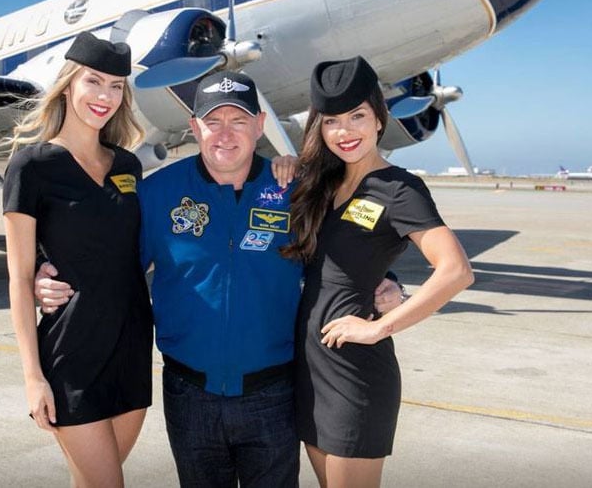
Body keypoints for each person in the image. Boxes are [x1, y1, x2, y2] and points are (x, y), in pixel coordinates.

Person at [35, 69, 405, 487]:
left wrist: (387, 280)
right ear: (195, 127)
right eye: (213, 121)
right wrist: (40, 270)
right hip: (188, 395)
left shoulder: (297, 191)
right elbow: (107, 260)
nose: (225, 134)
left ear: (260, 125)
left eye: (240, 121)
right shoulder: (156, 194)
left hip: (274, 395)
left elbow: (345, 254)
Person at [281, 55, 474, 488]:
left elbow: (456, 271)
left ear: (379, 119)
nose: (345, 131)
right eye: (331, 121)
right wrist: (284, 163)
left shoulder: (399, 189)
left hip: (355, 375)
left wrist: (380, 327)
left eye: (357, 116)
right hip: (308, 372)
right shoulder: (320, 183)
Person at [0, 31, 153, 487]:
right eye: (94, 81)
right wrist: (32, 377)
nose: (104, 96)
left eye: (116, 86)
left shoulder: (129, 166)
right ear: (68, 84)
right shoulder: (32, 166)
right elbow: (17, 277)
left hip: (131, 348)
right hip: (72, 355)